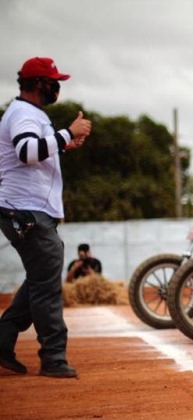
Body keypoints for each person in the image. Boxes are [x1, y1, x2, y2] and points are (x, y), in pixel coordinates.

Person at [0, 57, 92, 378]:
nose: (58, 87)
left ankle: (3, 340)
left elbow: (36, 151)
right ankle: (53, 357)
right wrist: (68, 133)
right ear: (39, 83)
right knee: (47, 286)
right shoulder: (24, 113)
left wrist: (65, 144)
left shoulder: (27, 113)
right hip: (26, 211)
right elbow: (26, 151)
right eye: (54, 81)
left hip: (26, 210)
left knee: (41, 279)